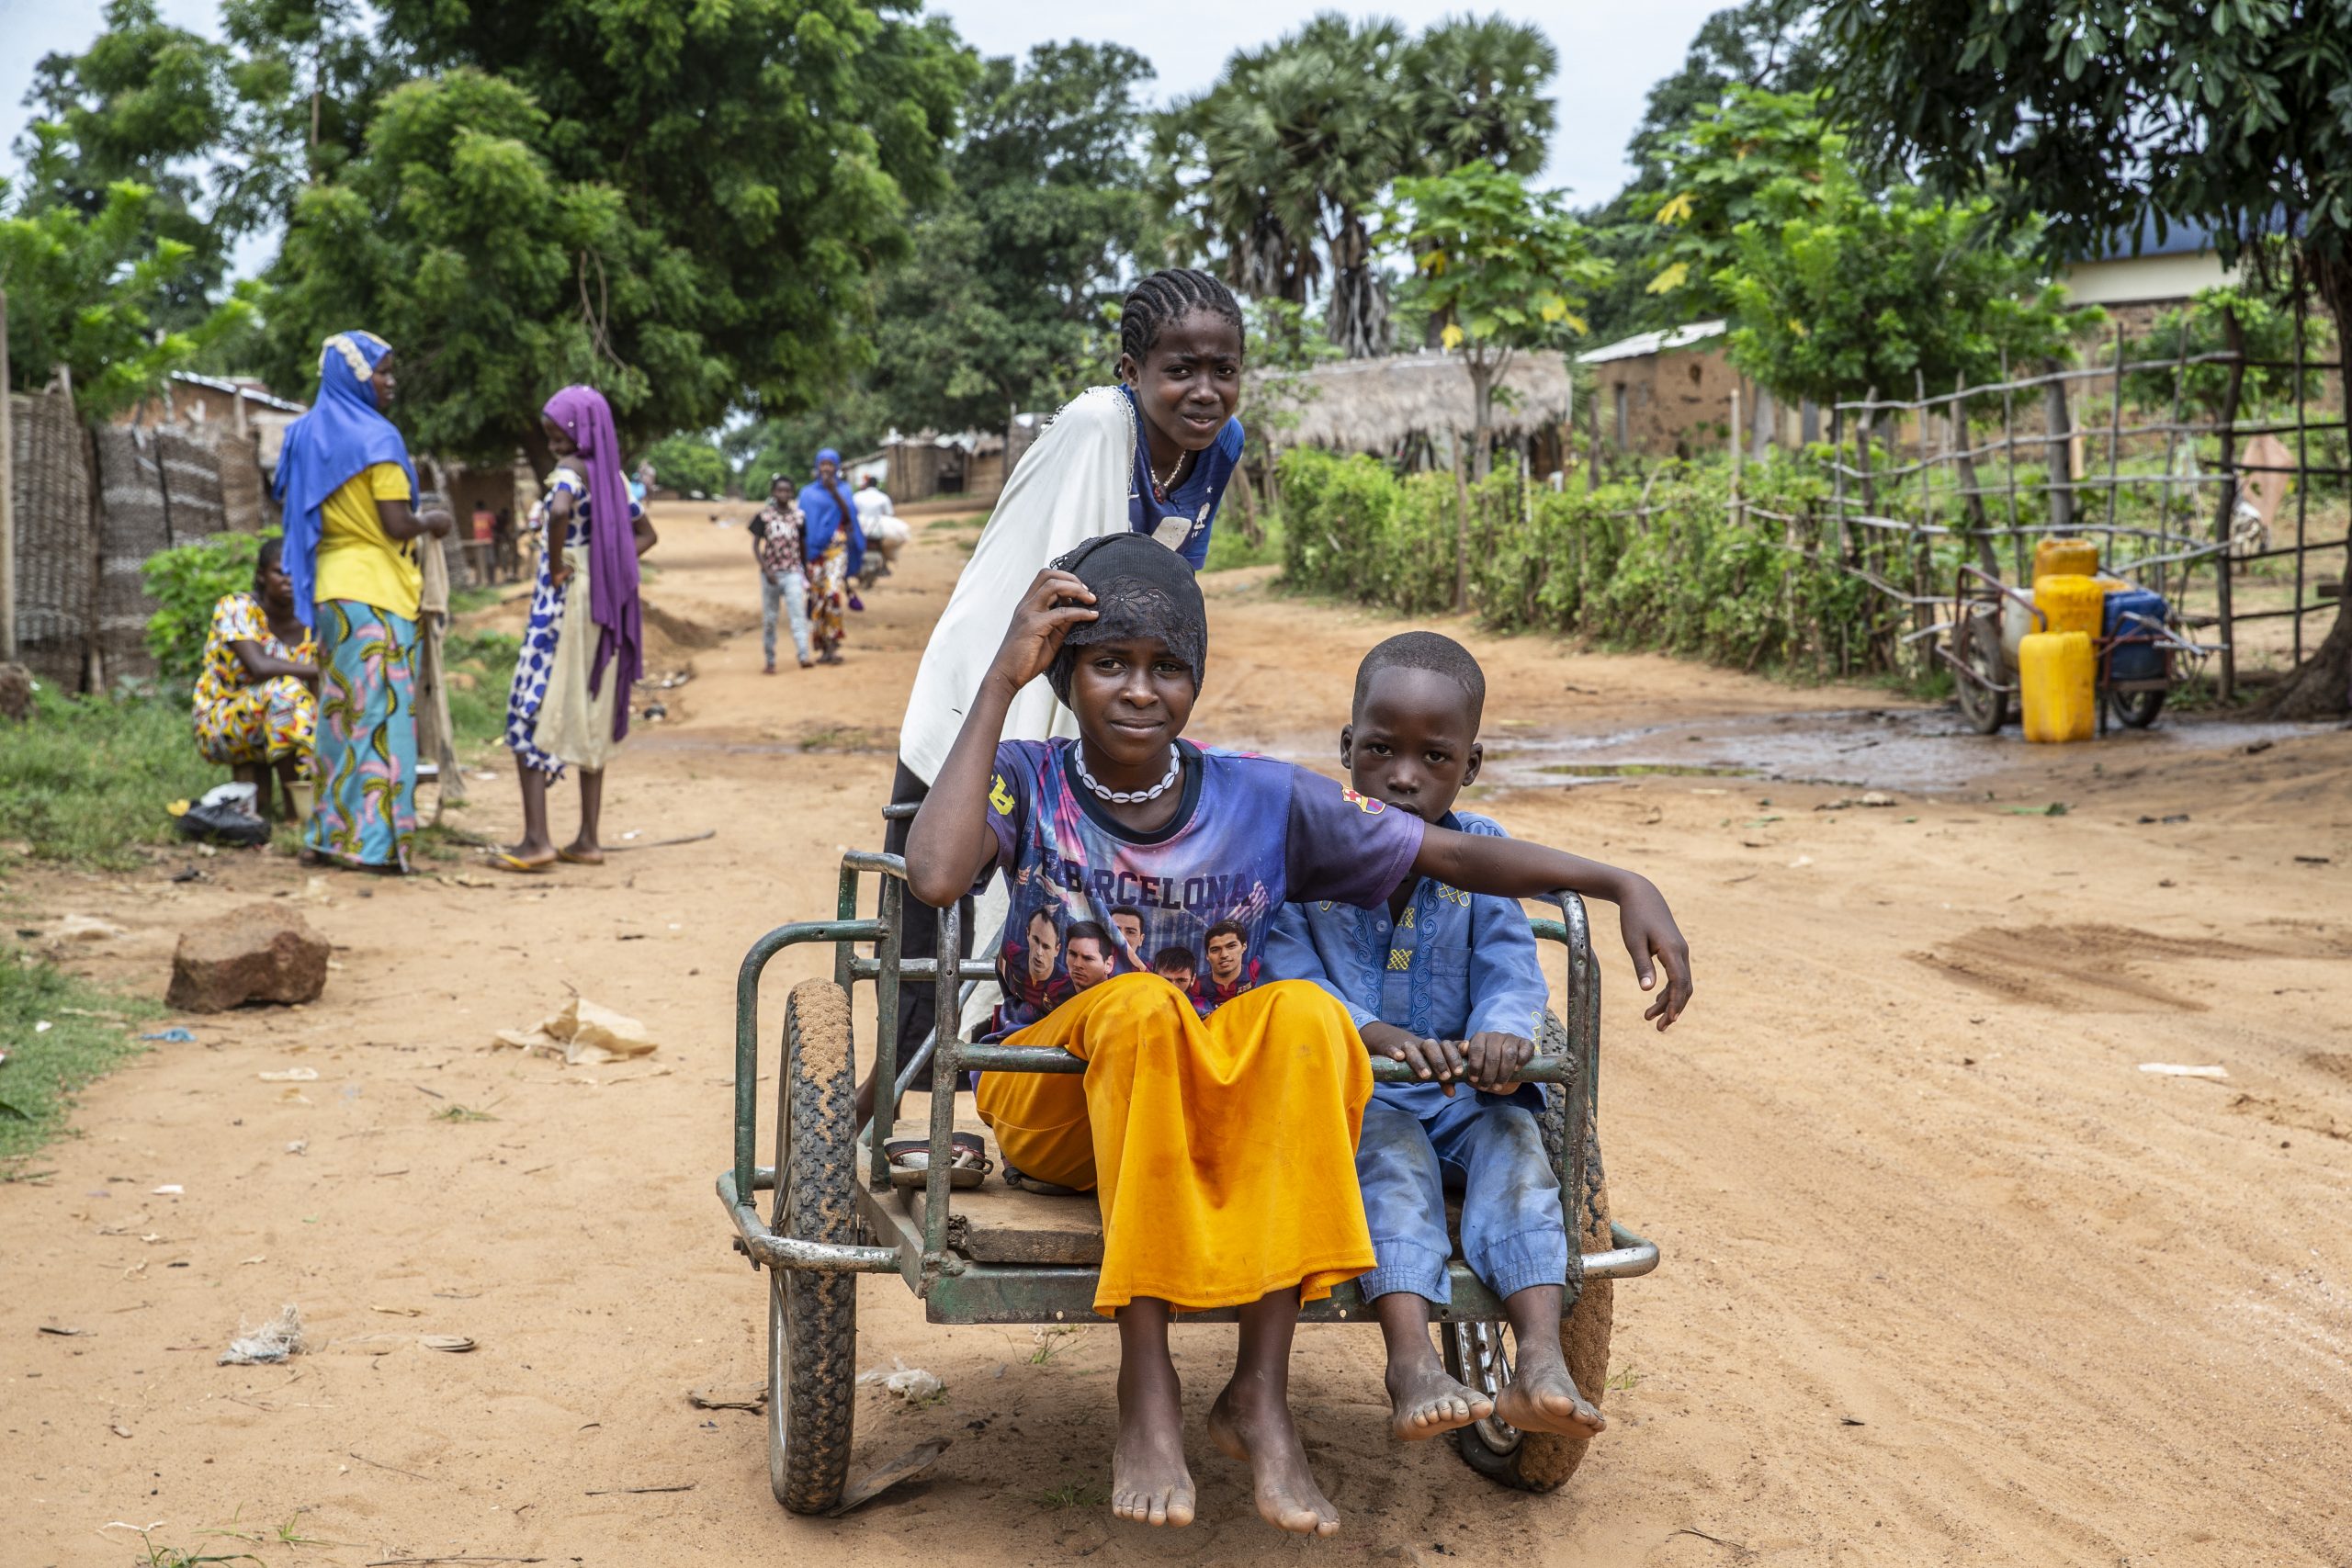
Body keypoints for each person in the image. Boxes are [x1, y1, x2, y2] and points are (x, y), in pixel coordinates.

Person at [902, 535, 1693, 1536]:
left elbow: (1450, 851)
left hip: (1201, 1106)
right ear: (1063, 674)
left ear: (1196, 681)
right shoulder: (1025, 774)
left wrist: (1620, 880)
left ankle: (1258, 1395)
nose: (1139, 691)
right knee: (1144, 1004)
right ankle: (1145, 1387)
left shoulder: (1260, 796)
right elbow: (933, 875)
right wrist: (996, 683)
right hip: (1058, 1108)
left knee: (1310, 1015)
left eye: (1166, 668)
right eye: (1109, 663)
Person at [877, 269, 1250, 1109]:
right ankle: (911, 1111)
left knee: (1063, 908)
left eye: (1222, 370)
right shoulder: (1094, 427)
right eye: (1179, 369)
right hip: (997, 684)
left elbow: (1165, 586)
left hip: (1095, 677)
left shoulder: (1216, 448)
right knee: (943, 921)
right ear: (1131, 370)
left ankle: (1015, 1089)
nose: (1204, 390)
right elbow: (1079, 584)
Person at [1264, 631, 1610, 1449]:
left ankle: (1537, 1357)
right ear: (1348, 747)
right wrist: (1375, 1035)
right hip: (1359, 1092)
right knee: (1389, 1162)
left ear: (1471, 764)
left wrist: (1499, 1034)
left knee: (1519, 1145)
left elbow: (1510, 964)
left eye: (1434, 756)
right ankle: (1411, 1359)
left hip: (1464, 1094)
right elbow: (1285, 975)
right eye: (1381, 749)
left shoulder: (1482, 853)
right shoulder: (1302, 856)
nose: (1405, 775)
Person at [273, 330, 452, 872]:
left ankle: (327, 837)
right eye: (382, 372)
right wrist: (433, 522)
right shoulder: (378, 440)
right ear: (355, 376)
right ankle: (374, 848)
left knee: (337, 714)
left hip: (329, 587)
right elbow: (397, 524)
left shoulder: (303, 435)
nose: (390, 383)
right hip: (377, 592)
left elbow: (285, 495)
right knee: (381, 717)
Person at [493, 386, 659, 873]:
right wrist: (608, 566)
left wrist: (563, 566)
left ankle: (537, 840)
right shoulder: (615, 480)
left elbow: (561, 510)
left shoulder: (567, 473)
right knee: (593, 710)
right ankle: (587, 839)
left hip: (560, 610)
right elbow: (647, 534)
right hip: (604, 610)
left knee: (525, 712)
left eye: (558, 434)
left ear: (580, 430)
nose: (554, 445)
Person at [191, 536, 319, 820]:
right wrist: (321, 672)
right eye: (279, 572)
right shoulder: (237, 608)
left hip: (283, 719)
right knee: (287, 693)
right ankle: (295, 814)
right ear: (261, 575)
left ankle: (317, 804)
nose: (289, 580)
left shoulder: (312, 620)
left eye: (295, 571)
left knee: (308, 705)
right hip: (223, 722)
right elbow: (258, 666)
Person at [797, 450, 865, 665]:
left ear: (837, 467)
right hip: (813, 552)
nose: (826, 468)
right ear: (817, 466)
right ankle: (822, 646)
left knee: (832, 594)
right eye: (822, 464)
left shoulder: (844, 490)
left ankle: (834, 643)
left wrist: (834, 492)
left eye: (830, 464)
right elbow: (802, 527)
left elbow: (849, 518)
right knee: (817, 599)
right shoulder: (807, 493)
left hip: (837, 550)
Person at [750, 473, 812, 672]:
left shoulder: (799, 517)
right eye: (780, 490)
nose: (783, 494)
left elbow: (802, 545)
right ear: (773, 493)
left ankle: (804, 655)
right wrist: (766, 569)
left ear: (792, 493)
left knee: (798, 614)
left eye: (787, 490)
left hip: (793, 572)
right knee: (770, 618)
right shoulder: (764, 516)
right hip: (771, 575)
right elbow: (756, 546)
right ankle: (770, 660)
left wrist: (805, 570)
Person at [854, 474, 907, 586]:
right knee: (884, 545)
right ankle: (884, 565)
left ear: (866, 484)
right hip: (877, 529)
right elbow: (889, 514)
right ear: (877, 485)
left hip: (860, 529)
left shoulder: (857, 496)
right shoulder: (883, 497)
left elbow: (853, 512)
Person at [492, 507, 518, 582]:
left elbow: (504, 531)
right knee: (502, 557)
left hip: (502, 541)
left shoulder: (504, 520)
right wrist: (500, 537)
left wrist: (507, 536)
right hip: (497, 542)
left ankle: (507, 574)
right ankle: (504, 574)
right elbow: (495, 531)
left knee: (505, 557)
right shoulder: (499, 520)